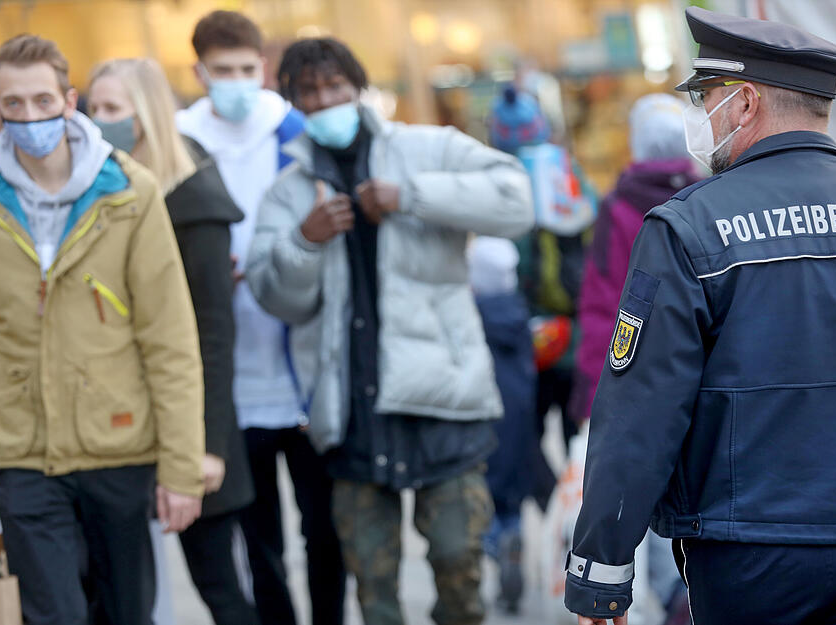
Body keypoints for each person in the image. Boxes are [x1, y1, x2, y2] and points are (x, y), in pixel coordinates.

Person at [564, 7, 836, 625]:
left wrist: (599, 574)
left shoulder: (689, 226)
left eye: (704, 98)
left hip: (750, 551)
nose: (697, 118)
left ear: (744, 103)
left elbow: (641, 410)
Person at [246, 37, 533, 625]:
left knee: (459, 570)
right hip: (353, 413)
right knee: (373, 590)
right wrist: (305, 240)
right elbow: (275, 296)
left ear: (358, 88)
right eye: (310, 92)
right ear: (294, 102)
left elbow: (517, 201)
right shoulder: (289, 191)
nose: (325, 100)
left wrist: (414, 196)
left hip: (444, 402)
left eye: (335, 87)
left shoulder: (425, 149)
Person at [0, 35, 204, 625]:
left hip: (118, 444)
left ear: (69, 99)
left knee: (125, 613)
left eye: (43, 101)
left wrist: (181, 466)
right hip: (21, 451)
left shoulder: (129, 191)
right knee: (53, 614)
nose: (30, 117)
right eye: (15, 104)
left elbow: (170, 340)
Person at [174, 11, 345, 625]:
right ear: (199, 72)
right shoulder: (176, 139)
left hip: (300, 364)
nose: (237, 82)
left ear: (264, 69)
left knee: (325, 529)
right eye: (223, 72)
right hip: (231, 376)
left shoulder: (297, 131)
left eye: (247, 69)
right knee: (258, 535)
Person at [87, 57, 256, 625]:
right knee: (121, 590)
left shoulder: (193, 200)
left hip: (190, 424)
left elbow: (213, 331)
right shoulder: (99, 189)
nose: (98, 118)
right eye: (94, 107)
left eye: (113, 108)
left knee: (219, 584)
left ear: (148, 113)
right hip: (119, 424)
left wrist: (208, 445)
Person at [569, 93, 699, 625]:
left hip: (633, 373)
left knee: (634, 493)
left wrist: (592, 389)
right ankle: (681, 599)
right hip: (696, 373)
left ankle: (645, 598)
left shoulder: (620, 205)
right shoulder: (706, 194)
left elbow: (603, 302)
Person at [487, 85, 598, 454]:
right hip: (577, 328)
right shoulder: (569, 172)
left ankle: (548, 500)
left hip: (528, 332)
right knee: (578, 437)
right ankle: (576, 505)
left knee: (525, 439)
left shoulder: (501, 181)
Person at [467, 236, 543, 614]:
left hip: (483, 426)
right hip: (519, 428)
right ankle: (512, 542)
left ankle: (498, 548)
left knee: (480, 506)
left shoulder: (471, 315)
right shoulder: (519, 316)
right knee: (511, 504)